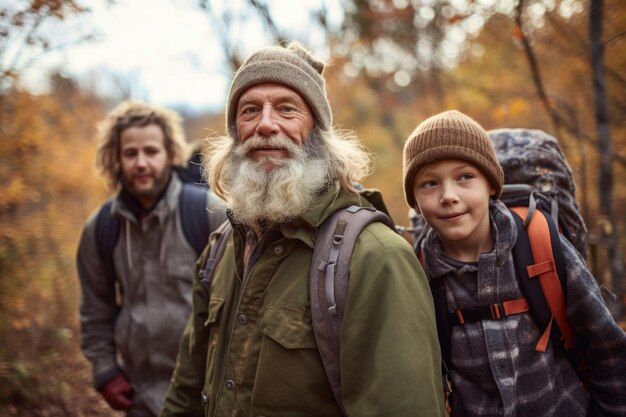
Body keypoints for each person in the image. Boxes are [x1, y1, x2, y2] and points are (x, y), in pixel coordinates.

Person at [161, 42, 445, 417]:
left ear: (317, 133)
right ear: (235, 134)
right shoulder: (222, 247)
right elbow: (185, 391)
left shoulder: (375, 256)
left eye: (286, 109)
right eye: (249, 111)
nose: (265, 124)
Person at [402, 110, 626, 416]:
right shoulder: (420, 274)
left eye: (465, 177)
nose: (449, 196)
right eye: (429, 184)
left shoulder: (540, 244)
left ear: (491, 184)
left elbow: (608, 349)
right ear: (414, 201)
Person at [76, 100, 227, 417]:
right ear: (115, 159)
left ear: (171, 153)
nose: (141, 163)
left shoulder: (208, 213)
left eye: (151, 151)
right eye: (130, 153)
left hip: (208, 398)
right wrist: (106, 372)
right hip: (141, 399)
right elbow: (95, 310)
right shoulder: (101, 228)